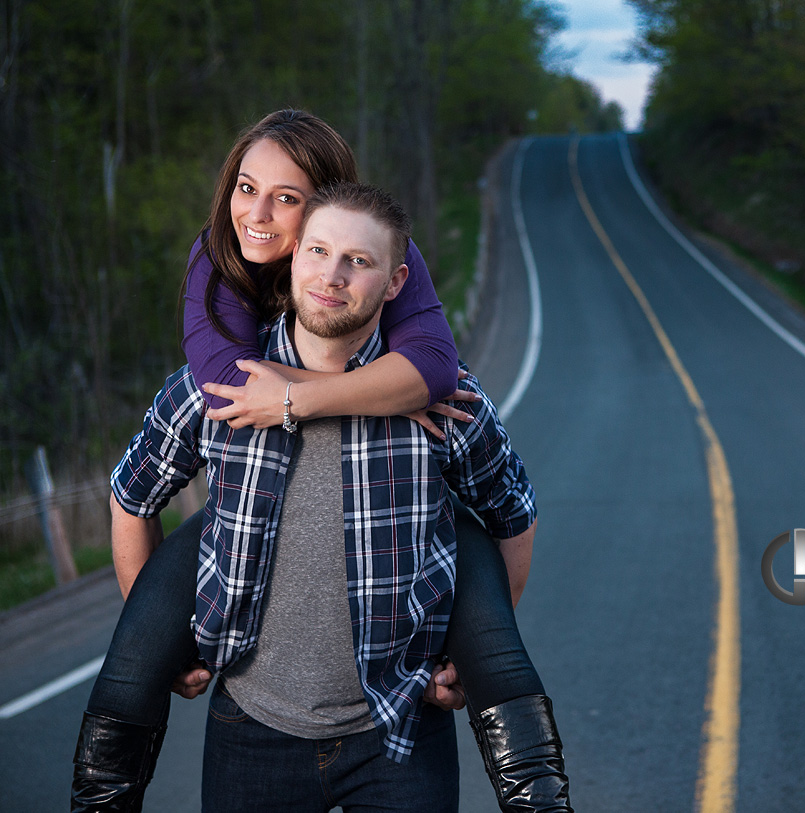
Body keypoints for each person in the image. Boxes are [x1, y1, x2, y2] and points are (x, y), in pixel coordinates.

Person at [71, 112, 571, 812]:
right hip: (252, 727)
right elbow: (133, 491)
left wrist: (468, 649)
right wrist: (163, 639)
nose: (331, 274)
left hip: (399, 726)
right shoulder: (218, 378)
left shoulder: (442, 398)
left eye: (356, 260)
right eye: (316, 252)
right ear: (294, 253)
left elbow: (512, 511)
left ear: (393, 278)